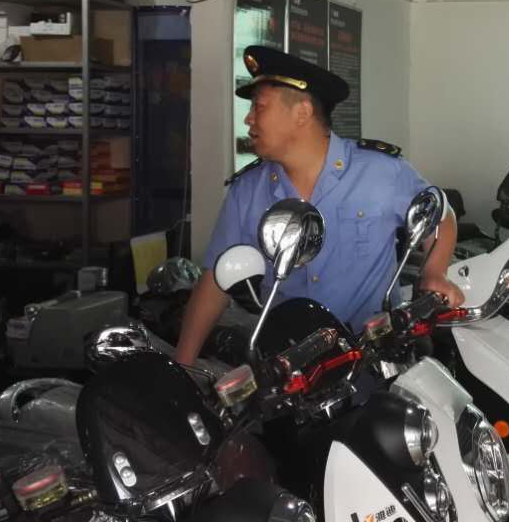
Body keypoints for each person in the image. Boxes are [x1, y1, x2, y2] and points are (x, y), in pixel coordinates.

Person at [175, 46, 464, 365]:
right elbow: (216, 281)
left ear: (302, 112)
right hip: (291, 369)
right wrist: (183, 366)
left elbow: (440, 214)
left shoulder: (380, 171)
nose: (249, 118)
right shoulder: (247, 191)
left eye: (259, 106)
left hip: (375, 357)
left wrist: (434, 272)